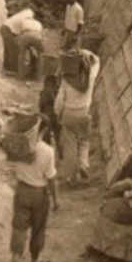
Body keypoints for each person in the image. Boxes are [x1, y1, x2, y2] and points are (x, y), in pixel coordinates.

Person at [8, 123, 58, 262]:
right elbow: (51, 178)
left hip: (22, 190)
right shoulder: (48, 151)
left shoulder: (20, 146)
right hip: (39, 194)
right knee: (38, 227)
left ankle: (16, 256)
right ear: (43, 130)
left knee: (19, 227)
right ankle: (35, 259)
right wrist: (55, 199)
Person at [54, 48, 100, 185]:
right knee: (84, 141)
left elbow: (59, 101)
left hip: (68, 114)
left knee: (70, 144)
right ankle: (83, 165)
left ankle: (70, 177)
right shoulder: (90, 77)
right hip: (84, 113)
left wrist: (57, 113)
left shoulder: (66, 81)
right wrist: (84, 53)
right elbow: (97, 60)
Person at [0, 9, 44, 77]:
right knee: (12, 49)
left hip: (7, 28)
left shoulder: (26, 14)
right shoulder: (28, 19)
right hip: (7, 29)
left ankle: (12, 69)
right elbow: (24, 33)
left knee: (11, 49)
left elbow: (24, 35)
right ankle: (12, 70)